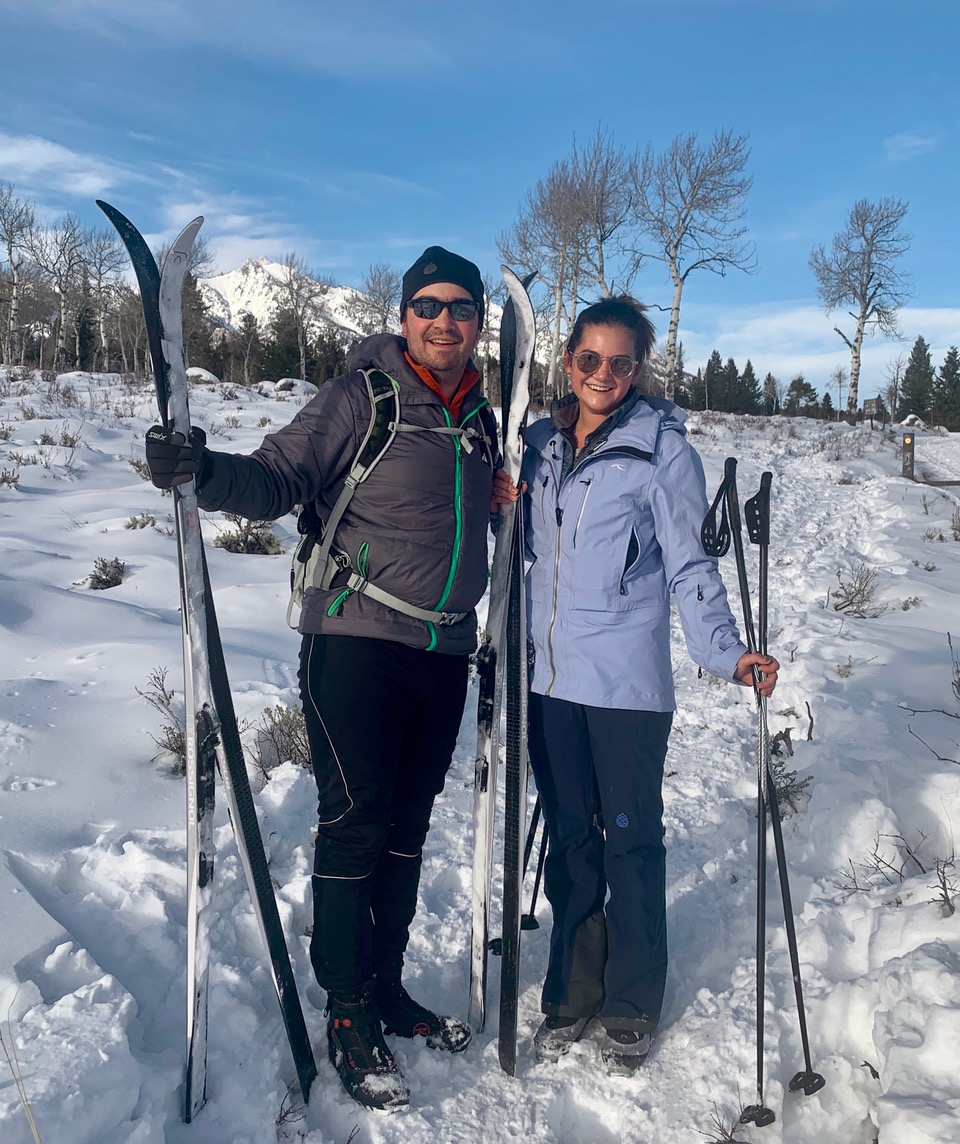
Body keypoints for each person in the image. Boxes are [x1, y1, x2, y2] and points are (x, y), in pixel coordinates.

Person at [146, 246, 508, 1112]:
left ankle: (386, 987)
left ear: (478, 321)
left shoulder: (481, 418)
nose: (445, 321)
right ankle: (347, 1009)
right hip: (356, 643)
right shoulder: (361, 397)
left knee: (409, 830)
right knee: (355, 824)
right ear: (404, 315)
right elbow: (277, 478)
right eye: (428, 305)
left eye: (461, 307)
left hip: (445, 653)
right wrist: (203, 469)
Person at [500, 296, 778, 1076]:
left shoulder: (662, 451)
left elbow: (691, 566)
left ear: (637, 369)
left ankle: (631, 1000)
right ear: (568, 361)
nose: (603, 375)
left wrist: (727, 653)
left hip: (626, 686)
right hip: (550, 682)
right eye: (589, 359)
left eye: (620, 362)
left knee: (629, 841)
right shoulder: (537, 446)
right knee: (571, 842)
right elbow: (519, 545)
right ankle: (572, 990)